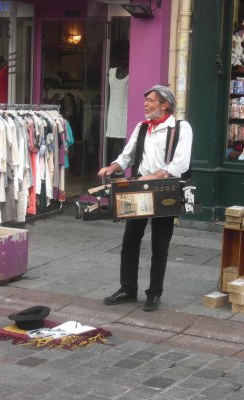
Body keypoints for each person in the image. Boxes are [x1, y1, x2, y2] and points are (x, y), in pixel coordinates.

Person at [98, 85, 193, 311]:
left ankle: (154, 293)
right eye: (146, 100)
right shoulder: (142, 127)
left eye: (150, 100)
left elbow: (180, 164)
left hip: (165, 188)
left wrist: (155, 175)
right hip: (139, 188)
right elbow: (127, 156)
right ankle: (128, 289)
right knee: (130, 241)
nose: (145, 103)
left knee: (159, 245)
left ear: (165, 105)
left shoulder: (181, 128)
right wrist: (113, 167)